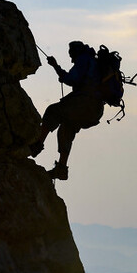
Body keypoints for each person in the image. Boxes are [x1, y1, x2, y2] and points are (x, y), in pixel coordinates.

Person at [29, 41, 105, 180]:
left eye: (71, 55)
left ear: (75, 52)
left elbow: (71, 79)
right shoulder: (94, 63)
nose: (71, 59)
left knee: (53, 111)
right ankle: (61, 169)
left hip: (84, 103)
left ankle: (37, 144)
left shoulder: (83, 59)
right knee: (67, 128)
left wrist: (55, 66)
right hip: (96, 110)